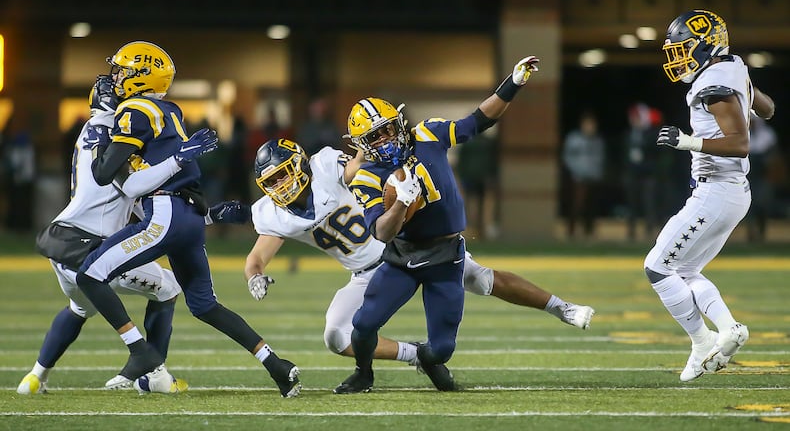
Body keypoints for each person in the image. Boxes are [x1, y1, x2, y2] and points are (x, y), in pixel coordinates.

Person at [245, 139, 594, 374]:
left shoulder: (324, 166)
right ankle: (417, 355)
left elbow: (353, 169)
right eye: (271, 181)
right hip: (366, 273)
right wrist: (255, 276)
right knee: (336, 336)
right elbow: (258, 256)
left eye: (282, 174)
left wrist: (364, 158)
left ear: (300, 164)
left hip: (404, 248)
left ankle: (562, 308)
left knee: (481, 278)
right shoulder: (273, 212)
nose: (280, 186)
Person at [73, 41, 301, 397]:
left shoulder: (134, 109)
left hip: (163, 215)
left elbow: (105, 174)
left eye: (123, 71)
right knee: (205, 306)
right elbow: (144, 180)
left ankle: (141, 353)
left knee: (89, 274)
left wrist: (100, 117)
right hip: (189, 218)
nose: (115, 77)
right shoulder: (168, 111)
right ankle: (276, 365)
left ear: (141, 77)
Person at [17, 76, 250, 395]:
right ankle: (154, 372)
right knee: (168, 287)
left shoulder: (91, 129)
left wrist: (207, 214)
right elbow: (134, 190)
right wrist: (179, 159)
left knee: (80, 308)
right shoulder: (119, 132)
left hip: (62, 240)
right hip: (90, 244)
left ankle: (34, 377)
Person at [331, 55, 541, 393]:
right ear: (362, 145)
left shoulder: (428, 133)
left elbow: (476, 122)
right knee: (362, 324)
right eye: (375, 136)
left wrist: (512, 83)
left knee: (443, 349)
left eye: (387, 129)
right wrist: (400, 203)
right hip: (402, 257)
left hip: (445, 256)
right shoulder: (367, 176)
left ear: (399, 123)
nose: (385, 139)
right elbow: (382, 233)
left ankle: (426, 358)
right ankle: (363, 372)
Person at [648, 9, 775, 382]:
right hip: (730, 191)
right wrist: (746, 89)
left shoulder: (714, 85)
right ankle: (729, 328)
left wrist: (690, 141)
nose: (679, 57)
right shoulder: (731, 67)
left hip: (717, 190)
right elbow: (768, 109)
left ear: (708, 45)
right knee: (685, 270)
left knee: (657, 267)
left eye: (685, 48)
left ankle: (702, 342)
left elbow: (740, 143)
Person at [562, 111, 605, 240]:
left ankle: (589, 232)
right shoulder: (574, 139)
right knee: (576, 205)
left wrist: (597, 173)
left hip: (593, 178)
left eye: (592, 125)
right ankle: (571, 232)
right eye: (587, 124)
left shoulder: (598, 141)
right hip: (578, 177)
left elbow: (601, 159)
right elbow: (567, 157)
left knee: (591, 206)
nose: (590, 127)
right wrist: (576, 171)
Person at [623, 103, 662, 241]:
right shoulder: (629, 133)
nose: (634, 120)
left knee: (648, 202)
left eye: (637, 117)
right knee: (632, 202)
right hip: (633, 173)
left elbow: (657, 153)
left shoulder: (651, 133)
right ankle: (631, 231)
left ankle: (649, 230)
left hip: (648, 173)